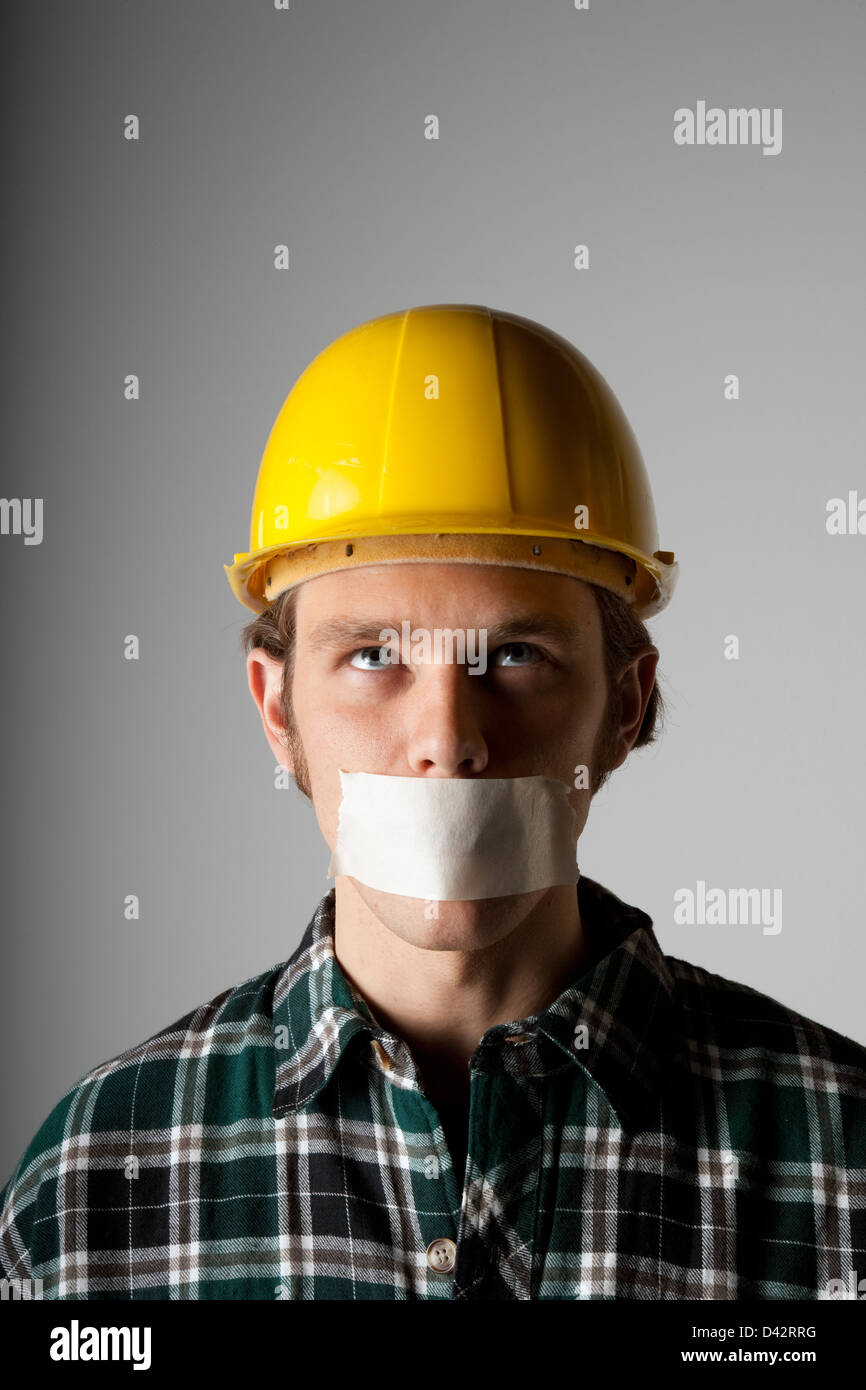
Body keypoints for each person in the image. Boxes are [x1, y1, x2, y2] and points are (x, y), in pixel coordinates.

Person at [1, 304, 864, 1301]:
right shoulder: (91, 1191)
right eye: (374, 655)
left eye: (513, 656)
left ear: (622, 706)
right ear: (276, 706)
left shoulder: (837, 1161)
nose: (447, 738)